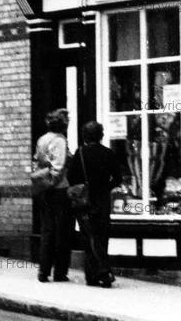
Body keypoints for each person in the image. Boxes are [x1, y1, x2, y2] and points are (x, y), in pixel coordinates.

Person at [67, 121, 121, 287]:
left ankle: (93, 275)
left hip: (85, 201)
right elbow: (117, 178)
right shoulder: (108, 153)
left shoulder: (80, 153)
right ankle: (103, 272)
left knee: (89, 237)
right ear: (101, 135)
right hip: (102, 200)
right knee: (101, 236)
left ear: (84, 136)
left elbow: (71, 177)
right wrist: (105, 187)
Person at [34, 108, 72, 283]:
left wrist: (44, 183)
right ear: (63, 125)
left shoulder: (42, 139)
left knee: (47, 230)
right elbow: (58, 166)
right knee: (61, 232)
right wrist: (53, 182)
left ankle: (43, 270)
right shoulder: (59, 140)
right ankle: (60, 272)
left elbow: (37, 160)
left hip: (42, 189)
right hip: (58, 190)